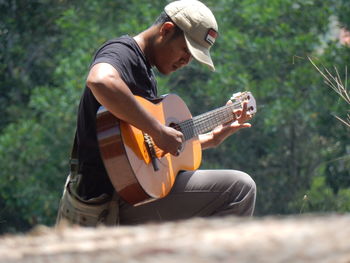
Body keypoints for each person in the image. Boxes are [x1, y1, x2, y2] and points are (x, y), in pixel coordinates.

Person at [56, 0, 256, 227]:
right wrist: (157, 129)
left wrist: (211, 139)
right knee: (239, 188)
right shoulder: (122, 52)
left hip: (131, 194)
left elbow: (146, 151)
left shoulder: (146, 74)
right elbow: (99, 80)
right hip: (105, 202)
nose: (186, 61)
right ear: (167, 30)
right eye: (186, 50)